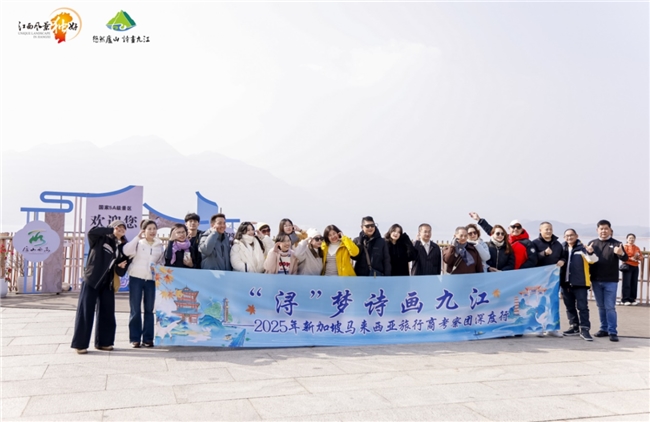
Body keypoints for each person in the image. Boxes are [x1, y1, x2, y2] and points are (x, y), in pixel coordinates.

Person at [71, 220, 130, 354]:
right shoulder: (100, 239)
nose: (121, 229)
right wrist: (110, 231)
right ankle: (80, 344)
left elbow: (121, 270)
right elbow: (92, 232)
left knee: (107, 312)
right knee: (86, 311)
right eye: (118, 226)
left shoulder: (122, 246)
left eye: (123, 227)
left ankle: (104, 343)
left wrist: (121, 267)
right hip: (92, 279)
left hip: (108, 282)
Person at [123, 219, 165, 348]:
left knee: (149, 309)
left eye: (154, 229)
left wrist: (157, 267)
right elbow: (126, 251)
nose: (152, 231)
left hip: (151, 280)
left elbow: (162, 262)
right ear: (144, 230)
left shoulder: (159, 246)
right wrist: (137, 237)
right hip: (136, 278)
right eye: (149, 229)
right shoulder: (138, 243)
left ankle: (148, 339)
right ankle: (135, 338)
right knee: (135, 309)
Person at [587, 220, 628, 342]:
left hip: (611, 280)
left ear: (610, 230)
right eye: (601, 228)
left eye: (606, 228)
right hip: (596, 280)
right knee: (600, 306)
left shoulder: (617, 244)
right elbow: (588, 261)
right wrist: (589, 252)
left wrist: (621, 253)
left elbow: (625, 258)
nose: (603, 231)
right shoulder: (592, 243)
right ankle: (603, 329)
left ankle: (612, 331)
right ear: (597, 230)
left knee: (610, 307)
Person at [559, 229, 599, 341]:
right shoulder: (562, 248)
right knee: (569, 306)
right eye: (567, 236)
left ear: (577, 236)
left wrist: (590, 252)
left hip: (580, 283)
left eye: (571, 235)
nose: (569, 237)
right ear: (564, 237)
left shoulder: (582, 248)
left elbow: (593, 260)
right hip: (565, 283)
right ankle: (574, 326)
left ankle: (585, 329)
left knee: (582, 307)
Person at [469, 212, 537, 269]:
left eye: (518, 227)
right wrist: (479, 219)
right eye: (513, 227)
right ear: (509, 228)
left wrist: (521, 270)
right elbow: (492, 231)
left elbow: (532, 260)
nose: (516, 229)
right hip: (503, 274)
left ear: (522, 229)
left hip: (520, 274)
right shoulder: (505, 238)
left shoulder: (527, 243)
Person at [621, 233, 642, 306]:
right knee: (626, 283)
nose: (631, 239)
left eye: (633, 238)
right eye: (630, 238)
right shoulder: (625, 247)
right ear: (627, 239)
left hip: (635, 266)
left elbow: (641, 257)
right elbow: (623, 256)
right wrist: (631, 259)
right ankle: (625, 299)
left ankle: (632, 299)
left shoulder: (637, 247)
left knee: (634, 283)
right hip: (627, 266)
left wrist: (638, 258)